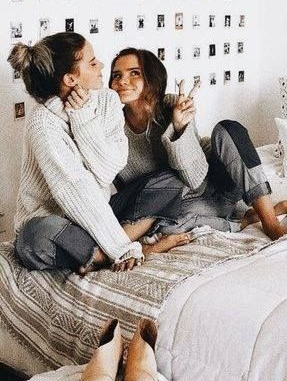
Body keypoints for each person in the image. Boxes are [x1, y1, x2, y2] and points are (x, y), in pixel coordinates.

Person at [7, 33, 189, 275]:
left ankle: (100, 251)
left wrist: (82, 119)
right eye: (92, 63)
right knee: (31, 238)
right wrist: (121, 248)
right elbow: (75, 188)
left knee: (170, 181)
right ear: (71, 79)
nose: (102, 66)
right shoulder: (42, 122)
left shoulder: (108, 100)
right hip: (59, 222)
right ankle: (116, 252)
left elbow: (108, 170)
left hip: (100, 208)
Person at [109, 48, 287, 240]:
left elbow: (194, 179)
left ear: (152, 78)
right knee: (162, 228)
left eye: (134, 73)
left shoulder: (175, 106)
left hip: (216, 185)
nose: (122, 81)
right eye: (116, 75)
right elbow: (138, 198)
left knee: (228, 129)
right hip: (185, 206)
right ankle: (245, 220)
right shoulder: (111, 126)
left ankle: (270, 221)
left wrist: (179, 127)